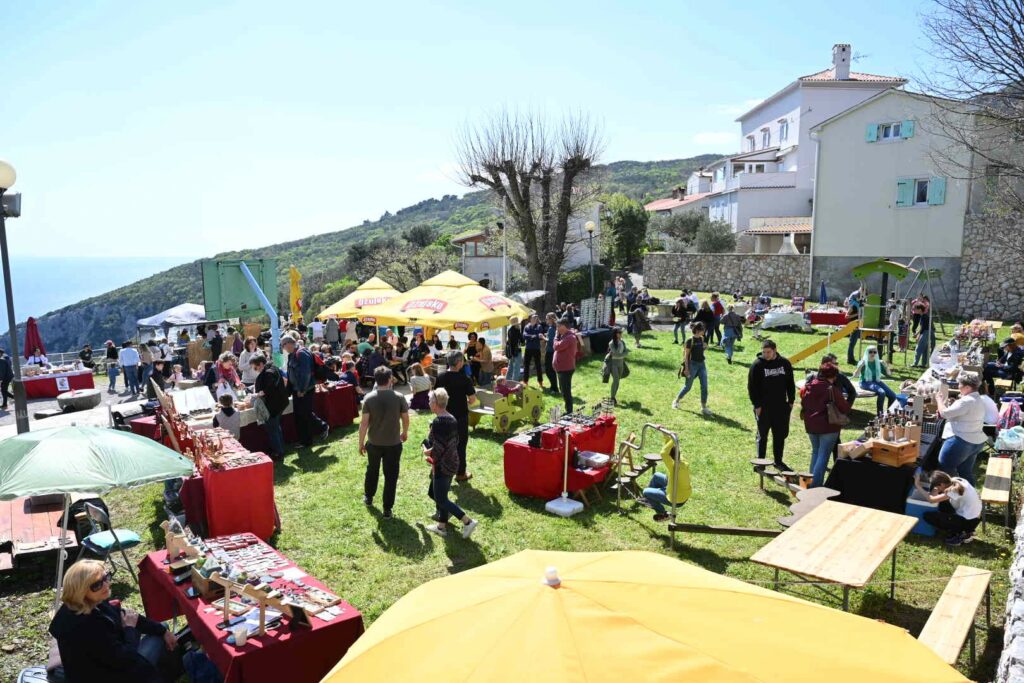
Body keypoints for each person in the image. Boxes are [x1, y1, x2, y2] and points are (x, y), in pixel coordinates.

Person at [49, 559, 178, 683]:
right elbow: (126, 661)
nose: (106, 585)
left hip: (112, 662)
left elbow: (127, 616)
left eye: (106, 577)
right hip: (112, 675)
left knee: (161, 627)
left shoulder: (89, 602)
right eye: (97, 585)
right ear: (81, 591)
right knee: (157, 639)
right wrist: (129, 629)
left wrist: (163, 631)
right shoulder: (85, 626)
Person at [423, 388, 480, 538]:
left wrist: (427, 452)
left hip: (443, 465)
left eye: (430, 400)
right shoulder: (452, 418)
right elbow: (454, 441)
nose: (428, 403)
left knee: (441, 498)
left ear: (435, 403)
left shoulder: (438, 422)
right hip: (453, 461)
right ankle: (441, 527)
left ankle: (467, 521)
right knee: (439, 494)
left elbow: (438, 448)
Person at [359, 366, 409, 518]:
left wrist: (361, 443)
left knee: (372, 470)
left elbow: (364, 423)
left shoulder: (368, 398)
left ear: (376, 379)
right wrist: (405, 432)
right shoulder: (399, 397)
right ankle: (387, 509)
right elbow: (405, 418)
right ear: (390, 379)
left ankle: (368, 497)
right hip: (393, 444)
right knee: (391, 476)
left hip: (374, 443)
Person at [748, 339, 796, 472]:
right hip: (763, 407)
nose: (766, 355)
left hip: (781, 407)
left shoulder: (785, 363)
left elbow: (790, 383)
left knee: (780, 435)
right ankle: (761, 462)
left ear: (775, 350)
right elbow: (752, 387)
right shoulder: (757, 365)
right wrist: (757, 405)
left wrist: (791, 401)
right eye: (764, 352)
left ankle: (778, 461)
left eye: (768, 352)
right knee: (762, 435)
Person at [800, 361, 851, 487]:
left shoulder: (809, 385)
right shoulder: (831, 389)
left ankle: (810, 482)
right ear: (833, 376)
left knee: (816, 453)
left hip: (811, 425)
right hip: (828, 427)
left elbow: (804, 402)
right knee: (823, 455)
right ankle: (815, 485)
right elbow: (844, 407)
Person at [936, 372, 987, 485]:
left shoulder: (966, 401)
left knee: (945, 468)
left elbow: (944, 413)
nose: (958, 387)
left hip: (961, 441)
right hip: (975, 441)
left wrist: (939, 400)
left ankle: (951, 494)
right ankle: (970, 493)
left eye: (960, 384)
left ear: (968, 387)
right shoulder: (979, 399)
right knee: (965, 472)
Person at [435, 351, 478, 482]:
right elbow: (472, 400)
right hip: (460, 417)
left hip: (443, 416)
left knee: (441, 444)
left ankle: (439, 470)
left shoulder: (441, 377)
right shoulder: (465, 378)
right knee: (460, 445)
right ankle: (461, 473)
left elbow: (435, 396)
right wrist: (464, 401)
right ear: (459, 363)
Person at [282, 336, 330, 447]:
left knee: (305, 414)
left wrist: (302, 389)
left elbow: (306, 373)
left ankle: (322, 427)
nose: (283, 348)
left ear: (288, 343)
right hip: (297, 390)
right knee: (300, 416)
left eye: (283, 345)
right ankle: (305, 441)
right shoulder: (292, 354)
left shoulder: (302, 353)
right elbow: (290, 373)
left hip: (305, 389)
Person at [917, 470, 982, 546]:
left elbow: (931, 500)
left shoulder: (954, 490)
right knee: (942, 502)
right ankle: (961, 528)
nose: (936, 488)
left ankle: (960, 534)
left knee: (928, 516)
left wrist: (918, 485)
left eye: (937, 486)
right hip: (975, 516)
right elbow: (935, 495)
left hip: (969, 521)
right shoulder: (955, 480)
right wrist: (936, 489)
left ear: (941, 484)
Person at [641, 437, 691, 522]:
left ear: (670, 457)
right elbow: (669, 448)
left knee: (645, 492)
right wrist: (670, 437)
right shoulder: (683, 461)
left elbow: (663, 453)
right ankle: (651, 500)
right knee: (656, 476)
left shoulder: (674, 467)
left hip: (677, 499)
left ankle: (662, 513)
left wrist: (673, 439)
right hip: (682, 492)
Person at [251, 353, 288, 460]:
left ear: (261, 364)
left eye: (255, 367)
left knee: (272, 429)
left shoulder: (268, 373)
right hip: (279, 403)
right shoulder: (273, 368)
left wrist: (260, 393)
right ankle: (280, 449)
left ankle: (278, 453)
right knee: (276, 428)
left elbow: (269, 388)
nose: (255, 370)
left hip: (273, 405)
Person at [672, 321, 712, 416]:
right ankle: (676, 401)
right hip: (692, 365)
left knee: (704, 386)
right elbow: (686, 356)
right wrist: (686, 369)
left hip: (702, 365)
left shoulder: (702, 339)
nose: (704, 331)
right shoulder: (690, 341)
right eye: (703, 330)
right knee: (688, 387)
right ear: (698, 330)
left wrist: (705, 347)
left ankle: (703, 407)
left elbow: (701, 350)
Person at [854, 346, 900, 414]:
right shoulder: (863, 362)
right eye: (870, 352)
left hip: (876, 381)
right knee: (882, 392)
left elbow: (889, 374)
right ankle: (880, 414)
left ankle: (889, 414)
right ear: (867, 353)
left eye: (875, 352)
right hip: (865, 382)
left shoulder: (878, 362)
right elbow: (855, 375)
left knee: (893, 396)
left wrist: (886, 366)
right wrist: (860, 366)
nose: (873, 354)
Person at [552, 319, 578, 414]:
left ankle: (569, 412)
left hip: (566, 369)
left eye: (559, 326)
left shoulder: (570, 337)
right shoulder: (564, 336)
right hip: (561, 368)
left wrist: (556, 337)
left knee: (566, 391)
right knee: (563, 390)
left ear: (564, 326)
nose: (557, 329)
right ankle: (568, 410)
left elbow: (556, 347)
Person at [606, 327, 629, 405]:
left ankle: (614, 396)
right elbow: (616, 353)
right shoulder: (611, 343)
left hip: (621, 363)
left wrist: (622, 354)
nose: (621, 334)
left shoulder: (622, 341)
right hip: (613, 364)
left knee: (618, 380)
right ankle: (612, 398)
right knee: (615, 380)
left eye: (621, 333)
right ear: (615, 334)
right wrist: (622, 353)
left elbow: (626, 351)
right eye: (619, 333)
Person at [522, 313, 545, 388]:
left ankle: (540, 382)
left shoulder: (539, 327)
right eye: (533, 318)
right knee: (526, 365)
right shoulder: (526, 326)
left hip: (536, 348)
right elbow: (524, 336)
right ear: (530, 319)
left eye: (536, 318)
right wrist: (535, 336)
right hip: (528, 348)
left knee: (538, 365)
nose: (535, 319)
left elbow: (540, 336)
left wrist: (531, 337)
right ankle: (525, 381)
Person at [544, 312, 559, 393]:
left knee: (549, 370)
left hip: (550, 351)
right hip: (553, 351)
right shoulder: (555, 327)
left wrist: (543, 337)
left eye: (547, 318)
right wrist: (547, 335)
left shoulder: (551, 328)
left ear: (551, 319)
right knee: (551, 370)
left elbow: (550, 341)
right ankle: (553, 387)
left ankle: (554, 388)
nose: (546, 320)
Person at [845, 291, 861, 365]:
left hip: (857, 325)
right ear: (857, 298)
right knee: (852, 343)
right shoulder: (853, 306)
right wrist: (857, 314)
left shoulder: (858, 305)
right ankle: (850, 359)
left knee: (853, 343)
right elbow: (846, 316)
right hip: (853, 325)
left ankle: (851, 358)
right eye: (859, 297)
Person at [505, 316, 523, 381]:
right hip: (516, 351)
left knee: (510, 367)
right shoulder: (516, 331)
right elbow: (522, 340)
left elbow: (510, 342)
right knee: (517, 368)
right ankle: (515, 382)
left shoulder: (510, 330)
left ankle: (507, 380)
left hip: (511, 351)